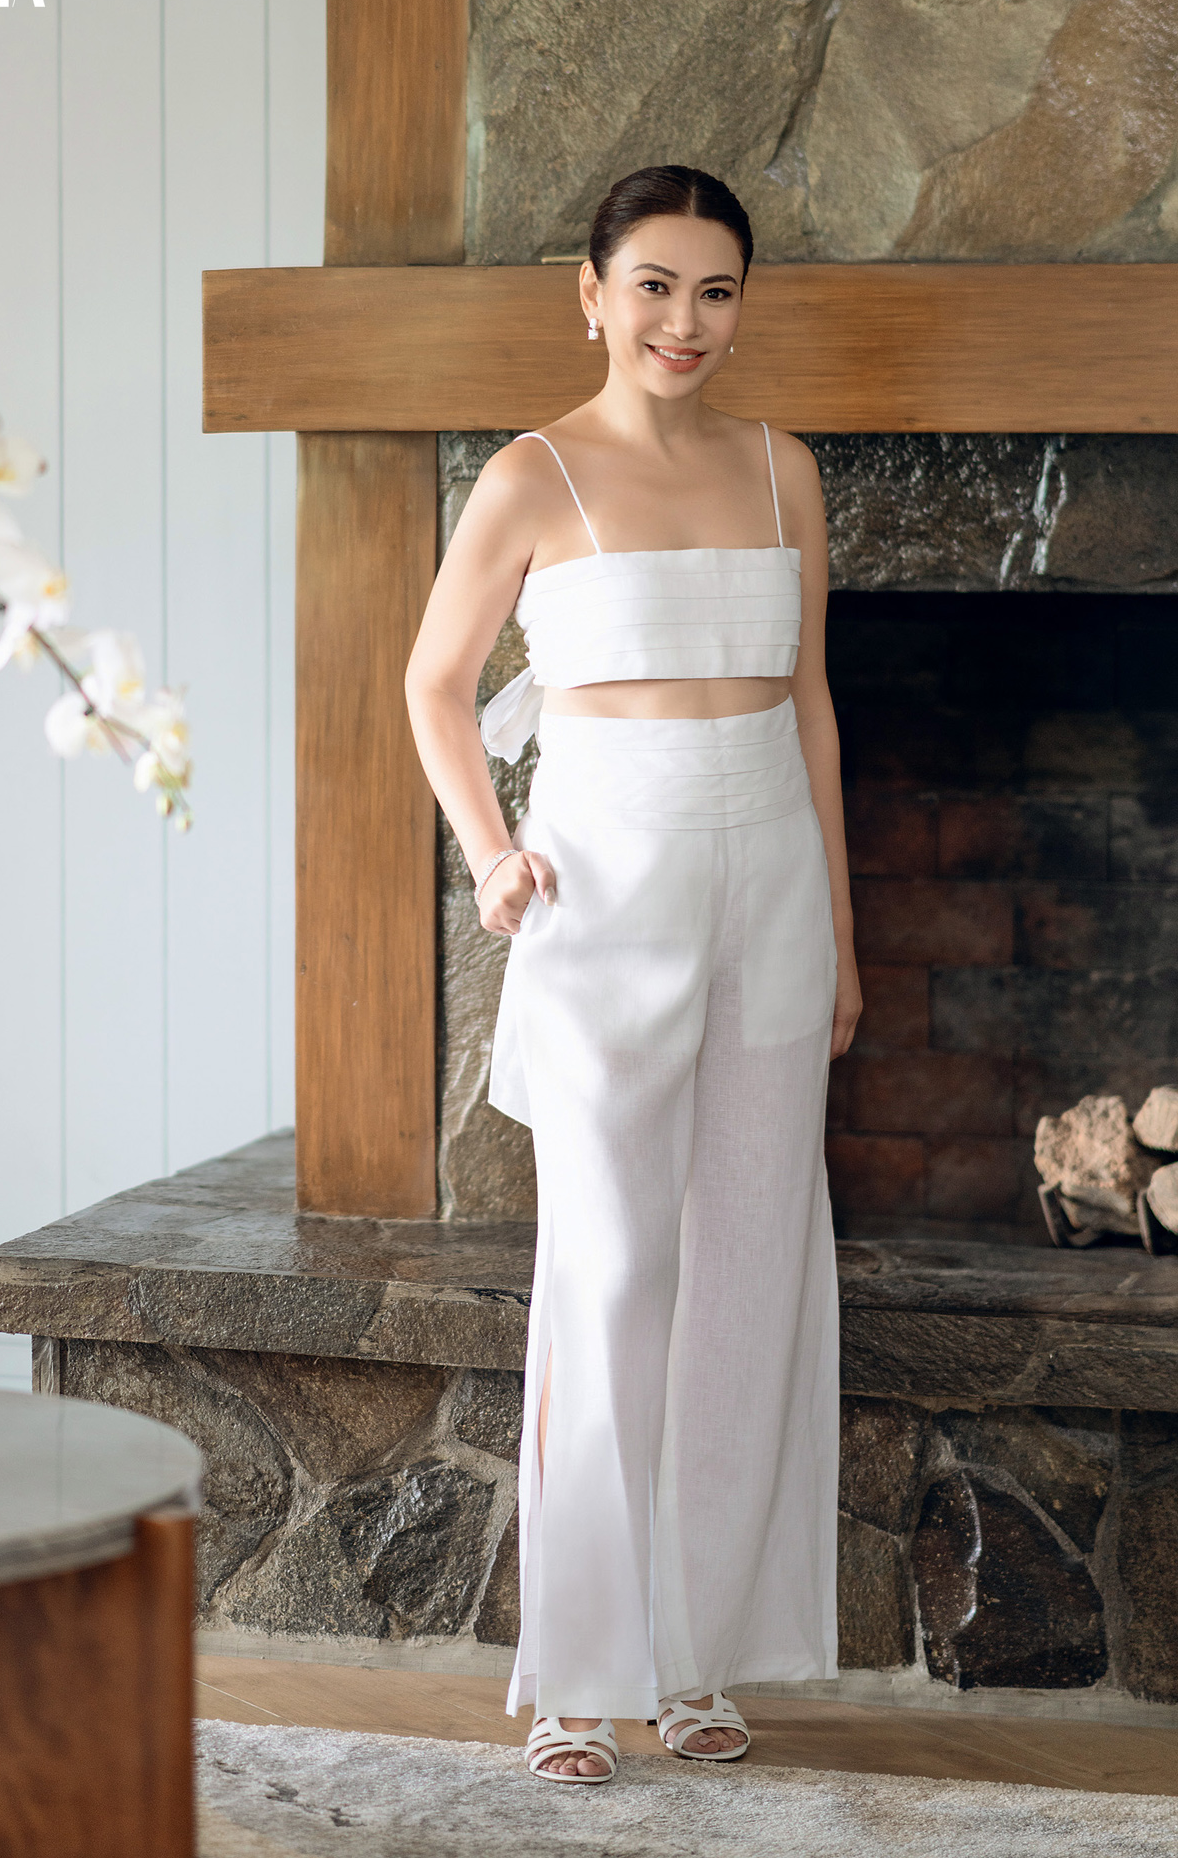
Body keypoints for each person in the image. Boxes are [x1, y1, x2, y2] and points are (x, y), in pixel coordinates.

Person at [404, 166, 861, 1784]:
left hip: (774, 889)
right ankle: (578, 1674)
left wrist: (848, 939)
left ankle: (696, 1660)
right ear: (589, 291)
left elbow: (809, 705)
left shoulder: (780, 467)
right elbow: (437, 685)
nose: (687, 321)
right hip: (604, 879)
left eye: (718, 292)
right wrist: (490, 854)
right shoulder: (531, 479)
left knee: (747, 1263)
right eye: (656, 285)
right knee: (610, 1270)